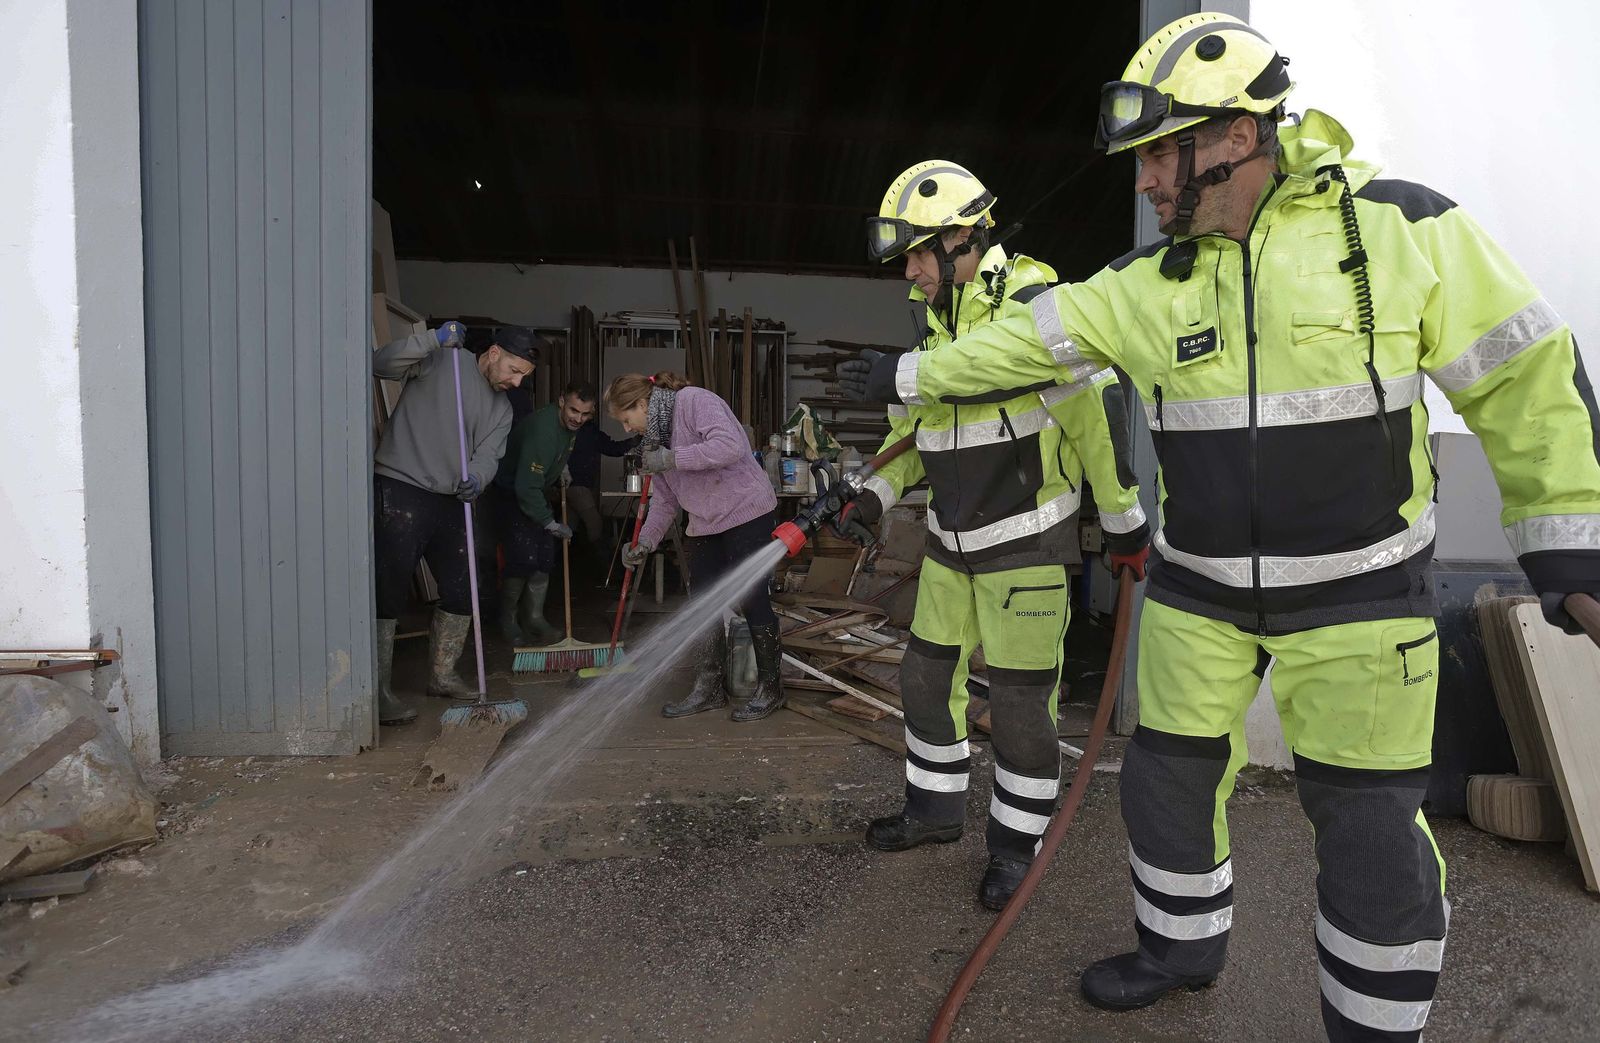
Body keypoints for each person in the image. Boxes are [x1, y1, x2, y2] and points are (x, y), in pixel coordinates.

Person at [841, 12, 1600, 1040]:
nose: (1147, 181)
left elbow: (1522, 373)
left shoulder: (1397, 230)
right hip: (1198, 595)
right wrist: (906, 373)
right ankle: (1178, 946)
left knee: (1371, 835)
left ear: (1234, 136)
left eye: (1161, 153)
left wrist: (1568, 540)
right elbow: (1020, 346)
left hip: (1360, 597)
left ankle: (1375, 1028)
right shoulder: (1146, 285)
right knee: (1165, 786)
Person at [848, 161, 1147, 911]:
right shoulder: (940, 324)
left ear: (960, 239)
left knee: (1018, 709)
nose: (910, 273)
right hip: (951, 547)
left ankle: (1016, 850)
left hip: (1026, 550)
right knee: (923, 679)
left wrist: (1123, 522)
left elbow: (1097, 420)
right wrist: (872, 499)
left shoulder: (1036, 305)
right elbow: (910, 437)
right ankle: (935, 811)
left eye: (918, 254)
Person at [373, 323, 537, 723]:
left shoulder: (502, 409)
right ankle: (375, 691)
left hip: (452, 500)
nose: (517, 382)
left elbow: (489, 455)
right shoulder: (444, 360)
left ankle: (442, 676)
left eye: (524, 377)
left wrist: (478, 478)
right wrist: (431, 338)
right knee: (389, 589)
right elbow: (380, 365)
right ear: (494, 353)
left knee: (465, 588)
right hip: (401, 486)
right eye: (514, 370)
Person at [606, 372, 783, 721]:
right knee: (700, 601)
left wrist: (673, 458)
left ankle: (771, 689)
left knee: (752, 598)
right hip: (704, 522)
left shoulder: (694, 402)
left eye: (626, 420)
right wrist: (644, 541)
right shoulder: (653, 442)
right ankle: (709, 688)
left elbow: (730, 446)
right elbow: (666, 502)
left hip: (746, 511)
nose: (626, 429)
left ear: (642, 404)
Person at [492, 382, 597, 645]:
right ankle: (509, 621)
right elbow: (525, 486)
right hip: (513, 494)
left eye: (586, 414)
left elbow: (549, 458)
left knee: (544, 559)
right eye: (574, 410)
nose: (578, 418)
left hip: (535, 491)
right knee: (522, 560)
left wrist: (560, 466)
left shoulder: (567, 426)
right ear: (561, 401)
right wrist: (549, 522)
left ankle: (535, 618)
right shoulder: (543, 430)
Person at [566, 415, 641, 569]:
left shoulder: (578, 429)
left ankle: (567, 567)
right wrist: (636, 440)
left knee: (567, 527)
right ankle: (605, 568)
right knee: (595, 524)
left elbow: (611, 447)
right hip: (578, 485)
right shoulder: (587, 432)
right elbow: (612, 448)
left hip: (569, 484)